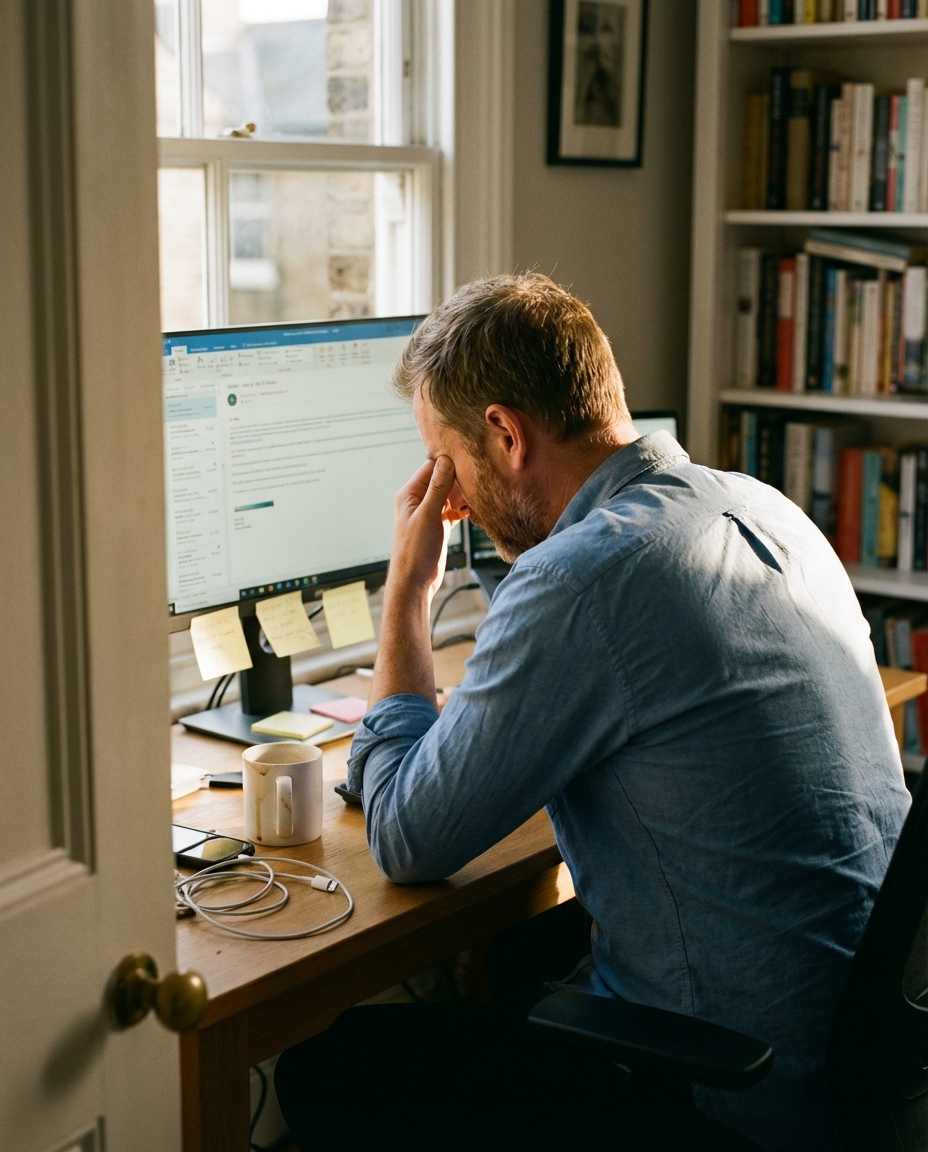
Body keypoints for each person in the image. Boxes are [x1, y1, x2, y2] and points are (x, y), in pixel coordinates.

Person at [275, 273, 910, 1151]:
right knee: (526, 958)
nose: (447, 501)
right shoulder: (765, 506)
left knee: (330, 1066)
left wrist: (407, 594)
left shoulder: (581, 577)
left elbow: (407, 839)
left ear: (505, 432)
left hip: (739, 1090)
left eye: (446, 464)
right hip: (871, 1059)